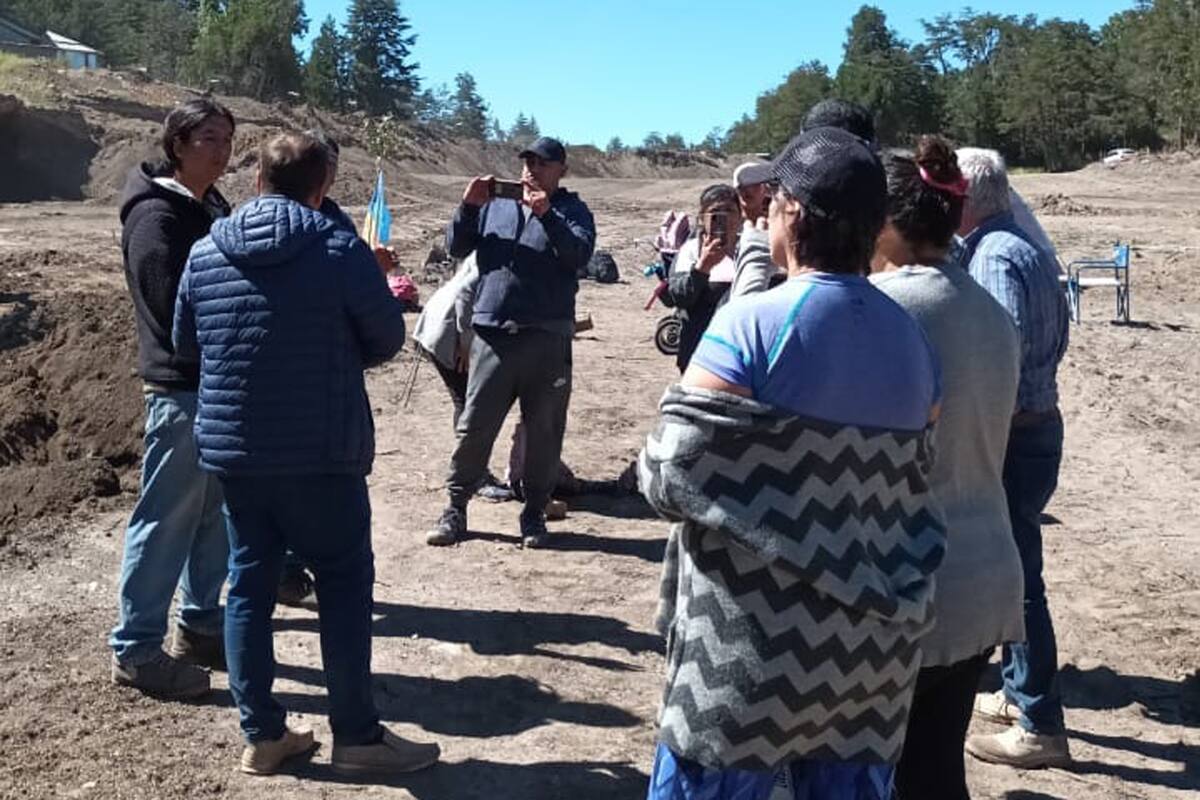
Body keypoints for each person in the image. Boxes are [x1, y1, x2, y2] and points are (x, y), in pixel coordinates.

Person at [639, 126, 946, 800]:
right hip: (872, 662)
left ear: (792, 214)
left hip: (747, 665)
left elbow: (666, 473)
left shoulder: (753, 324)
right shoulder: (913, 341)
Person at [173, 132, 439, 777]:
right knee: (344, 587)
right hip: (321, 452)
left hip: (238, 453)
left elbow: (186, 343)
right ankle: (356, 735)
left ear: (256, 178)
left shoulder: (207, 251)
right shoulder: (337, 246)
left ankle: (263, 735)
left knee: (248, 586)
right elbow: (384, 336)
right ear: (321, 188)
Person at [870, 137, 1025, 799]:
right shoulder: (991, 313)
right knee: (935, 772)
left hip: (909, 591)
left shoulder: (880, 311)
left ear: (881, 222)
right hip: (984, 578)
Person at [109, 98, 234, 700]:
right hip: (182, 388)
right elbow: (170, 308)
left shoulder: (210, 206)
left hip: (216, 386)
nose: (222, 148)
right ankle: (135, 649)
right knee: (165, 520)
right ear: (178, 143)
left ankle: (202, 623)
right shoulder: (157, 218)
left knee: (213, 515)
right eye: (209, 137)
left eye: (227, 138)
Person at [957, 148, 1071, 769]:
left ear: (969, 197)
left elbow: (1002, 346)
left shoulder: (995, 256)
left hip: (1013, 433)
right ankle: (1017, 690)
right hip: (1039, 422)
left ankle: (1040, 722)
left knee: (1020, 578)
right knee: (1017, 568)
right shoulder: (1024, 247)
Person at [426, 136, 596, 549]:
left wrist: (547, 214)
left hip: (547, 338)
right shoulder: (496, 206)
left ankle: (534, 512)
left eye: (542, 163)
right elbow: (456, 247)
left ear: (561, 170)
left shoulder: (574, 211)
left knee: (544, 431)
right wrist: (468, 207)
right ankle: (456, 507)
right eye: (527, 162)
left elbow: (578, 257)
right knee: (475, 427)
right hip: (493, 334)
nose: (532, 170)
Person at [658, 184, 742, 372]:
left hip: (741, 351)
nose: (723, 218)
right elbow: (678, 297)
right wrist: (702, 268)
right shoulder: (691, 251)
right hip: (699, 352)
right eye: (715, 212)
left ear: (740, 216)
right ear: (702, 218)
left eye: (729, 210)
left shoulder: (751, 251)